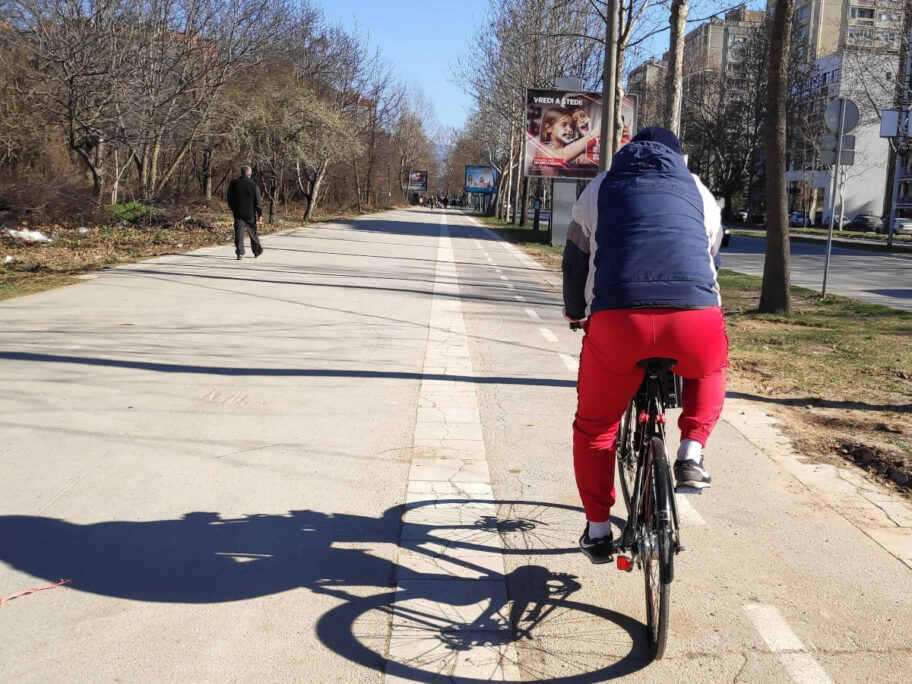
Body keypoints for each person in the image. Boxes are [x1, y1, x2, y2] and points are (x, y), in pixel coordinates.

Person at [561, 126, 727, 564]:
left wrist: (575, 311)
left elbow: (576, 258)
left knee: (596, 427)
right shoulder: (699, 190)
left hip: (619, 320)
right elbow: (711, 258)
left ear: (628, 153)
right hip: (693, 319)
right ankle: (691, 452)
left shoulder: (600, 186)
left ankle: (598, 530)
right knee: (709, 367)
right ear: (678, 157)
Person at [226, 165, 263, 260]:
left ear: (241, 173)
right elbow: (258, 201)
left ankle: (240, 252)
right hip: (250, 213)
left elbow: (229, 198)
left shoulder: (234, 183)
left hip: (238, 213)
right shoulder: (253, 184)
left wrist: (233, 208)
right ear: (249, 174)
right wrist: (260, 214)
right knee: (253, 234)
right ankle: (256, 251)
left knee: (239, 234)